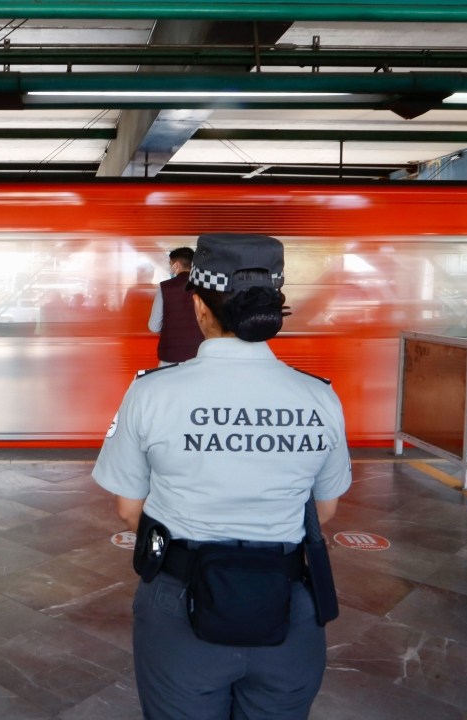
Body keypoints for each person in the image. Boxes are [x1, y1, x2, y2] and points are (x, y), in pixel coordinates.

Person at [92, 233, 352, 720]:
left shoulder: (152, 394)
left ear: (200, 308)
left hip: (180, 608)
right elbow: (326, 508)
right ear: (275, 305)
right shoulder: (319, 397)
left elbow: (130, 509)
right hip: (289, 608)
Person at [148, 246, 204, 365]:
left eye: (170, 264)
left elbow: (153, 326)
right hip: (199, 355)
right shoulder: (205, 287)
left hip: (170, 357)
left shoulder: (165, 288)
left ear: (177, 265)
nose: (170, 268)